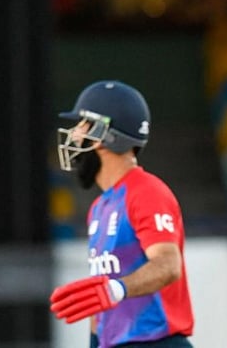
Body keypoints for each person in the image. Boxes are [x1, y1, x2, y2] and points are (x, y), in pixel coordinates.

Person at [50, 80, 193, 348]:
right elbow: (100, 293)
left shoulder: (147, 191)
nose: (75, 135)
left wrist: (117, 289)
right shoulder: (100, 207)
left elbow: (168, 265)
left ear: (106, 136)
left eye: (83, 125)